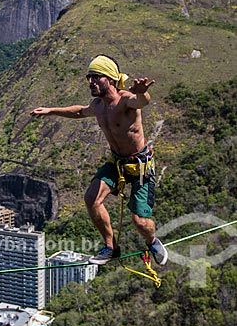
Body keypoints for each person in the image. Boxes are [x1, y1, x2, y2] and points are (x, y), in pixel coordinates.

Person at [30, 54, 168, 266]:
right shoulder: (99, 106)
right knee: (92, 199)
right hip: (118, 163)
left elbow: (141, 101)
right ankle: (110, 247)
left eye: (96, 77)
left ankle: (152, 241)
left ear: (110, 80)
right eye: (89, 77)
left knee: (140, 221)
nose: (91, 82)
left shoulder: (125, 100)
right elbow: (79, 112)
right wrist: (50, 111)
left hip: (140, 165)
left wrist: (143, 93)